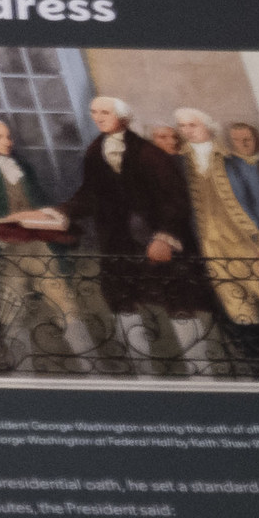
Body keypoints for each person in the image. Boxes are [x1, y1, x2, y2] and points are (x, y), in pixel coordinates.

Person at [64, 94, 210, 377]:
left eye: (104, 111)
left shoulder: (149, 153)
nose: (98, 117)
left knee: (178, 305)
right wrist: (60, 213)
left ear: (123, 117)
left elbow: (175, 200)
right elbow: (89, 195)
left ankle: (202, 375)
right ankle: (144, 376)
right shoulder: (95, 152)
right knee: (124, 306)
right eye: (94, 112)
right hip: (117, 242)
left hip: (156, 242)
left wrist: (164, 236)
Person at [0, 117, 96, 375]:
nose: (7, 142)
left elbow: (41, 201)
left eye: (8, 136)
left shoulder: (23, 166)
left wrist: (52, 216)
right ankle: (23, 374)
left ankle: (93, 368)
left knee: (65, 305)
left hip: (37, 245)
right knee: (11, 314)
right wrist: (10, 218)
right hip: (2, 249)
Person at [173, 107, 259, 380]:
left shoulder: (236, 162)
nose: (187, 131)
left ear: (208, 126)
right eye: (182, 126)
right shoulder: (177, 167)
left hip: (252, 251)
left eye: (192, 125)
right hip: (215, 255)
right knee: (242, 318)